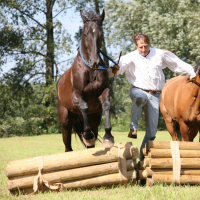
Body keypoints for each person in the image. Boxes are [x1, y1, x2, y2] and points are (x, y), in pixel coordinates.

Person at [109, 33, 196, 160]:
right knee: (140, 97)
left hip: (155, 96)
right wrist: (114, 69)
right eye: (140, 47)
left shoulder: (159, 54)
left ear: (149, 44)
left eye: (145, 46)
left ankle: (142, 159)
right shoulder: (130, 57)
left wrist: (192, 72)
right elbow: (114, 70)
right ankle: (133, 128)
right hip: (138, 90)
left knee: (151, 134)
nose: (143, 49)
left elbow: (177, 63)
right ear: (136, 46)